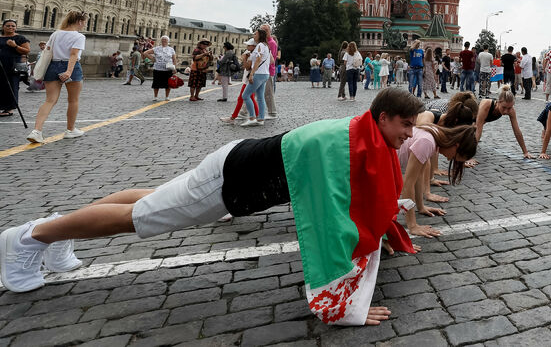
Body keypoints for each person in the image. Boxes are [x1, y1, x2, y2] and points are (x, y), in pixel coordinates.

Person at [1, 88, 425, 327]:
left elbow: (359, 197)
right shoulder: (345, 143)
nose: (409, 134)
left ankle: (59, 233)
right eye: (405, 125)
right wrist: (344, 300)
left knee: (150, 200)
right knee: (140, 217)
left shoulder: (360, 134)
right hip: (229, 182)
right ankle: (29, 237)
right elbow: (331, 218)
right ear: (384, 117)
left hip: (233, 165)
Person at [400, 94, 479, 238]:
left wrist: (421, 207)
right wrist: (412, 225)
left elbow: (418, 177)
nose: (449, 159)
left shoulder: (434, 139)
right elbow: (408, 184)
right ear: (456, 145)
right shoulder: (428, 142)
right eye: (454, 158)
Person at [26, 12, 88, 144]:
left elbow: (49, 51)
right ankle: (70, 130)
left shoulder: (56, 34)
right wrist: (68, 71)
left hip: (52, 65)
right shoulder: (79, 36)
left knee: (50, 100)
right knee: (73, 100)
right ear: (80, 22)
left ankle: (36, 131)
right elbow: (73, 54)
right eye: (84, 22)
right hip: (71, 67)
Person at [241, 30, 271, 127]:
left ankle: (252, 118)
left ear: (260, 35)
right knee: (260, 97)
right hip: (265, 74)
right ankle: (261, 118)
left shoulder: (260, 46)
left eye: (255, 34)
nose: (254, 35)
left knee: (245, 95)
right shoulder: (266, 46)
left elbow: (258, 60)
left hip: (258, 74)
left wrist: (251, 74)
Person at [0, 19, 30, 119]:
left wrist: (15, 46)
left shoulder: (20, 38)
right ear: (3, 27)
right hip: (1, 65)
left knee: (12, 86)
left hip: (13, 66)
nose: (10, 27)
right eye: (8, 26)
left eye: (13, 26)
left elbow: (26, 51)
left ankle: (9, 108)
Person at [144, 35, 177, 102]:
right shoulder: (157, 48)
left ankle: (167, 96)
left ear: (168, 41)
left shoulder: (171, 49)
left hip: (168, 68)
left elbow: (174, 59)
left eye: (165, 40)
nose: (164, 41)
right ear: (161, 41)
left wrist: (174, 68)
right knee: (156, 83)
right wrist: (152, 59)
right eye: (163, 40)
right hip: (158, 68)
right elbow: (145, 53)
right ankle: (155, 96)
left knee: (168, 84)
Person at [259, 23, 279, 120]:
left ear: (269, 31)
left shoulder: (271, 43)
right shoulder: (264, 42)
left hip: (268, 71)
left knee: (268, 93)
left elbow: (272, 59)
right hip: (263, 71)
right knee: (260, 93)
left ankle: (272, 112)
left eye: (265, 31)